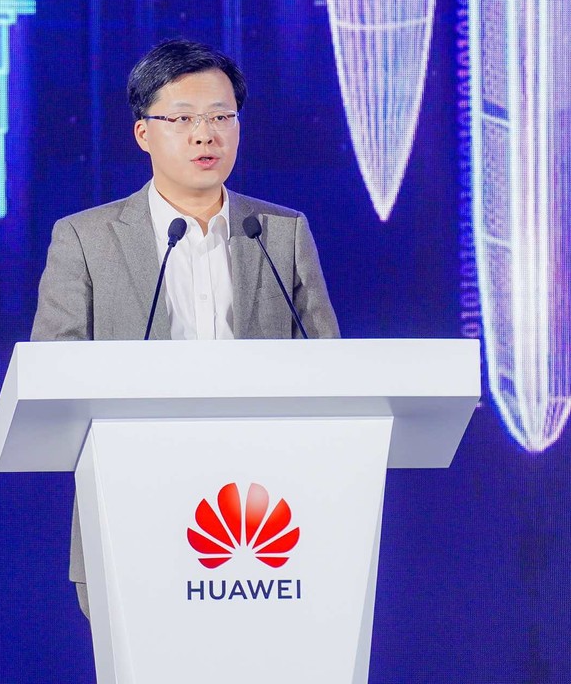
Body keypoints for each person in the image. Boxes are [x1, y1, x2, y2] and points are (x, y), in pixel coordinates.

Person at [30, 38, 340, 618]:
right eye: (183, 119)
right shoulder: (84, 239)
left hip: (269, 521)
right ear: (143, 133)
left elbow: (332, 373)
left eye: (221, 117)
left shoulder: (280, 232)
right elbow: (55, 376)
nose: (205, 135)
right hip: (132, 509)